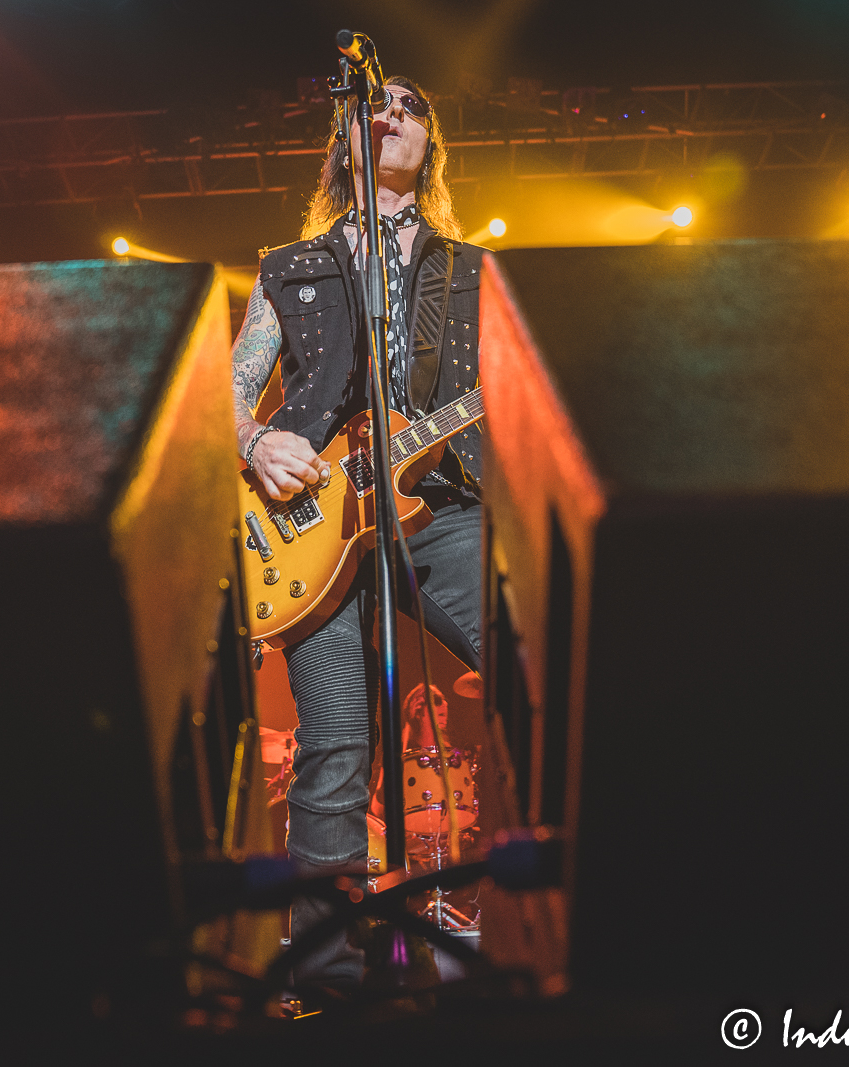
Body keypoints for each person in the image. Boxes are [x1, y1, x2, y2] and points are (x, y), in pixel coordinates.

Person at [228, 75, 485, 995]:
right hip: (314, 532)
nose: (394, 115)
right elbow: (225, 394)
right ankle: (326, 980)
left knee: (541, 675)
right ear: (344, 138)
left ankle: (552, 922)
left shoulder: (472, 269)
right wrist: (258, 441)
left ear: (433, 145)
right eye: (379, 105)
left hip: (445, 506)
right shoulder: (291, 265)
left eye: (414, 108)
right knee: (335, 745)